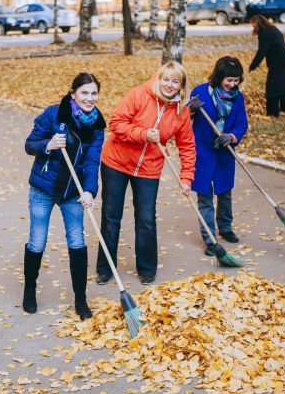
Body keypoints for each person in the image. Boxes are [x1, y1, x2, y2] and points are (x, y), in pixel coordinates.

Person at [95, 61, 196, 286]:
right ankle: (105, 268)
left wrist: (186, 178)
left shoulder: (182, 111)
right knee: (111, 216)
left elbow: (187, 146)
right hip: (116, 163)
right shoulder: (139, 95)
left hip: (149, 168)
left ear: (181, 85)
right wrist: (142, 134)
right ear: (159, 79)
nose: (169, 85)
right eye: (166, 79)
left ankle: (147, 268)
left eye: (175, 81)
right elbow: (115, 123)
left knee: (146, 218)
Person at [23, 72, 106, 320]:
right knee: (37, 240)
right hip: (44, 189)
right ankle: (29, 290)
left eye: (94, 93)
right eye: (84, 93)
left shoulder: (97, 125)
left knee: (77, 241)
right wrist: (47, 145)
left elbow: (92, 161)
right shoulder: (53, 114)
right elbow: (30, 144)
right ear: (73, 93)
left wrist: (90, 191)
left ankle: (80, 300)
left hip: (73, 192)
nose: (89, 98)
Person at [189, 57, 249, 256]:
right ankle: (210, 239)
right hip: (203, 152)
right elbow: (183, 119)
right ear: (219, 76)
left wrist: (231, 137)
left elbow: (242, 124)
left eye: (236, 80)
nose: (232, 84)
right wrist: (190, 109)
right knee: (204, 196)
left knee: (225, 192)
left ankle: (225, 227)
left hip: (224, 151)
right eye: (228, 80)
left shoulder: (238, 98)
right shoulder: (200, 92)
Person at [248, 15, 285, 117]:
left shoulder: (263, 33)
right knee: (283, 84)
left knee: (272, 87)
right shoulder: (273, 28)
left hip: (278, 61)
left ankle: (272, 112)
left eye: (253, 25)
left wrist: (253, 66)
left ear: (258, 24)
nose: (252, 27)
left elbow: (261, 52)